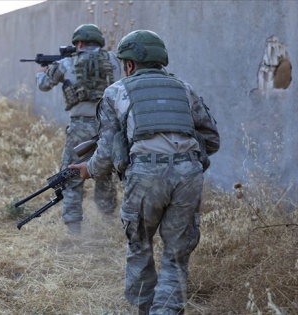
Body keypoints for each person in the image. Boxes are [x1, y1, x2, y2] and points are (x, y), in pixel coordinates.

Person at [68, 30, 220, 314]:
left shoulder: (116, 91)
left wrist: (88, 170)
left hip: (144, 176)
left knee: (140, 247)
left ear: (129, 64)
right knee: (176, 257)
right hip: (188, 176)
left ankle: (143, 308)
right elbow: (211, 139)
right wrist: (185, 159)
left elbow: (105, 151)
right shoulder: (184, 89)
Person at [36, 24, 122, 234]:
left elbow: (44, 85)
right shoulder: (113, 60)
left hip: (79, 127)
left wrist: (42, 71)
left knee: (71, 174)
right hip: (108, 125)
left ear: (79, 43)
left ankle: (74, 228)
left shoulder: (65, 63)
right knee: (104, 171)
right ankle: (108, 223)